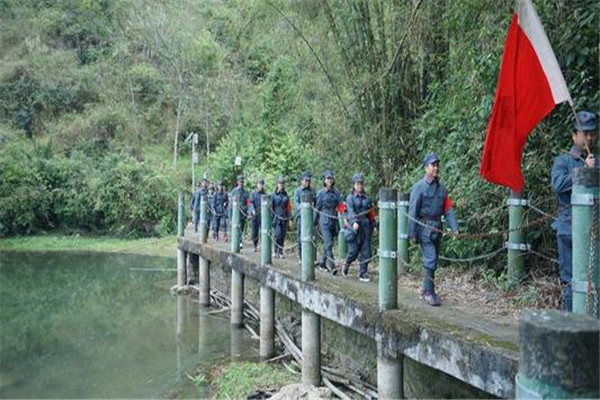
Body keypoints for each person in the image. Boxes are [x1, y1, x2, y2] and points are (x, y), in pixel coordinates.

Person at [551, 110, 598, 312]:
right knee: (570, 280)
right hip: (569, 228)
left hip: (594, 229)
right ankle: (573, 324)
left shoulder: (597, 161)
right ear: (574, 135)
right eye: (584, 133)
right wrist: (584, 171)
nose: (589, 137)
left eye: (592, 133)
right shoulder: (563, 161)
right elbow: (558, 184)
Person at [408, 153, 459, 306]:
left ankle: (425, 290)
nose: (435, 168)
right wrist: (412, 233)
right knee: (430, 259)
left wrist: (454, 228)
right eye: (432, 165)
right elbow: (412, 211)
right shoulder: (419, 187)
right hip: (424, 228)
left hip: (437, 228)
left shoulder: (442, 189)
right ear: (426, 168)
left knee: (434, 260)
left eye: (437, 165)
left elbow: (448, 210)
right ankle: (429, 292)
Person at [341, 174, 377, 282]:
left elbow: (371, 213)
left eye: (361, 184)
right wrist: (354, 222)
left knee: (366, 251)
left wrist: (374, 226)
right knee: (354, 251)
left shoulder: (367, 198)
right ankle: (347, 264)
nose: (359, 186)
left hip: (366, 227)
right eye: (357, 184)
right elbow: (349, 211)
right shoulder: (350, 198)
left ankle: (363, 273)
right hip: (354, 228)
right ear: (354, 185)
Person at [316, 170, 343, 274]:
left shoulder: (337, 192)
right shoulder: (321, 193)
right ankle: (332, 266)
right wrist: (314, 222)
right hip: (324, 219)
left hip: (334, 219)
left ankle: (322, 263)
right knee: (329, 243)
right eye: (327, 178)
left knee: (327, 244)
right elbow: (317, 208)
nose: (329, 180)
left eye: (331, 178)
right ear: (324, 180)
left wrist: (345, 217)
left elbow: (341, 206)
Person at [294, 171, 316, 262]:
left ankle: (313, 257)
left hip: (311, 218)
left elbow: (316, 202)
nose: (307, 182)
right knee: (300, 238)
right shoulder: (298, 191)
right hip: (301, 218)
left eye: (308, 180)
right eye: (306, 180)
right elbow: (296, 204)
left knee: (313, 237)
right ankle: (301, 257)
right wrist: (304, 208)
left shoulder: (312, 191)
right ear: (302, 181)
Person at [271, 176, 292, 258]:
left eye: (282, 183)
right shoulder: (273, 195)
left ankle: (280, 251)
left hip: (284, 217)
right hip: (276, 217)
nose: (281, 185)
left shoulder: (286, 195)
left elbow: (289, 208)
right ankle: (275, 250)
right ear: (277, 184)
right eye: (280, 183)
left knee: (283, 235)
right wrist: (271, 218)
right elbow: (271, 207)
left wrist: (290, 219)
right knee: (277, 234)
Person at [230, 175, 250, 249]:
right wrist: (230, 215)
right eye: (240, 181)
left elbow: (248, 203)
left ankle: (240, 241)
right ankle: (237, 241)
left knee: (241, 228)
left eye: (242, 182)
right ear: (237, 182)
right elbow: (231, 205)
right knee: (236, 227)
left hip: (242, 213)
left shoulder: (246, 193)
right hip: (235, 214)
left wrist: (247, 211)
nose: (241, 183)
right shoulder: (234, 192)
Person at [250, 179, 266, 252]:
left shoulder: (265, 194)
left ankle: (263, 245)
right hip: (255, 215)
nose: (261, 186)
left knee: (263, 230)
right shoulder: (253, 193)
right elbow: (250, 203)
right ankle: (255, 245)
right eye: (259, 184)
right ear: (257, 185)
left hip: (262, 215)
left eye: (262, 184)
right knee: (254, 231)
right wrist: (252, 209)